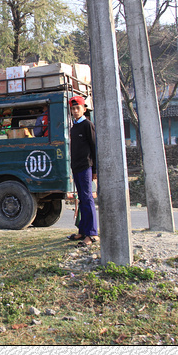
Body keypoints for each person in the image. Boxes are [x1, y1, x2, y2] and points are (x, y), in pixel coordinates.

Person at [67, 95, 99, 246]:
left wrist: (95, 170)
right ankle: (83, 231)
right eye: (73, 108)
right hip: (76, 167)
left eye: (77, 108)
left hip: (86, 167)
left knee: (87, 199)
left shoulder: (88, 125)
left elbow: (94, 147)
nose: (75, 111)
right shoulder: (74, 127)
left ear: (84, 109)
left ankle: (92, 234)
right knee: (81, 199)